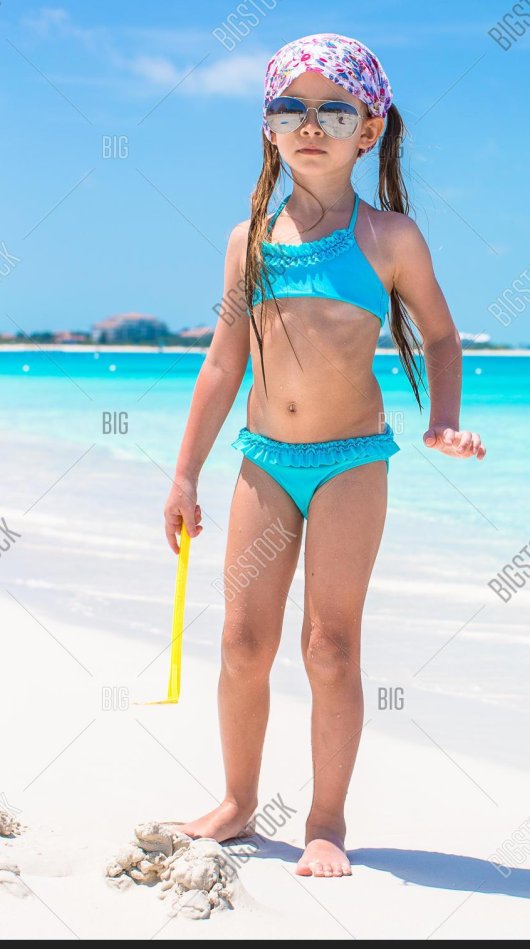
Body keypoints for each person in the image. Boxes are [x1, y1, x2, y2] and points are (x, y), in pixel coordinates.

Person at [163, 33, 486, 877]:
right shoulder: (250, 241)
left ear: (369, 130)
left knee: (331, 646)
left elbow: (444, 337)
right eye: (290, 109)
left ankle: (327, 819)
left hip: (351, 463)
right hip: (265, 461)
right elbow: (224, 361)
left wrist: (443, 420)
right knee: (240, 640)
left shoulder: (389, 238)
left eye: (333, 109)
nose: (311, 124)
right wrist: (184, 470)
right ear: (269, 128)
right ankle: (237, 800)